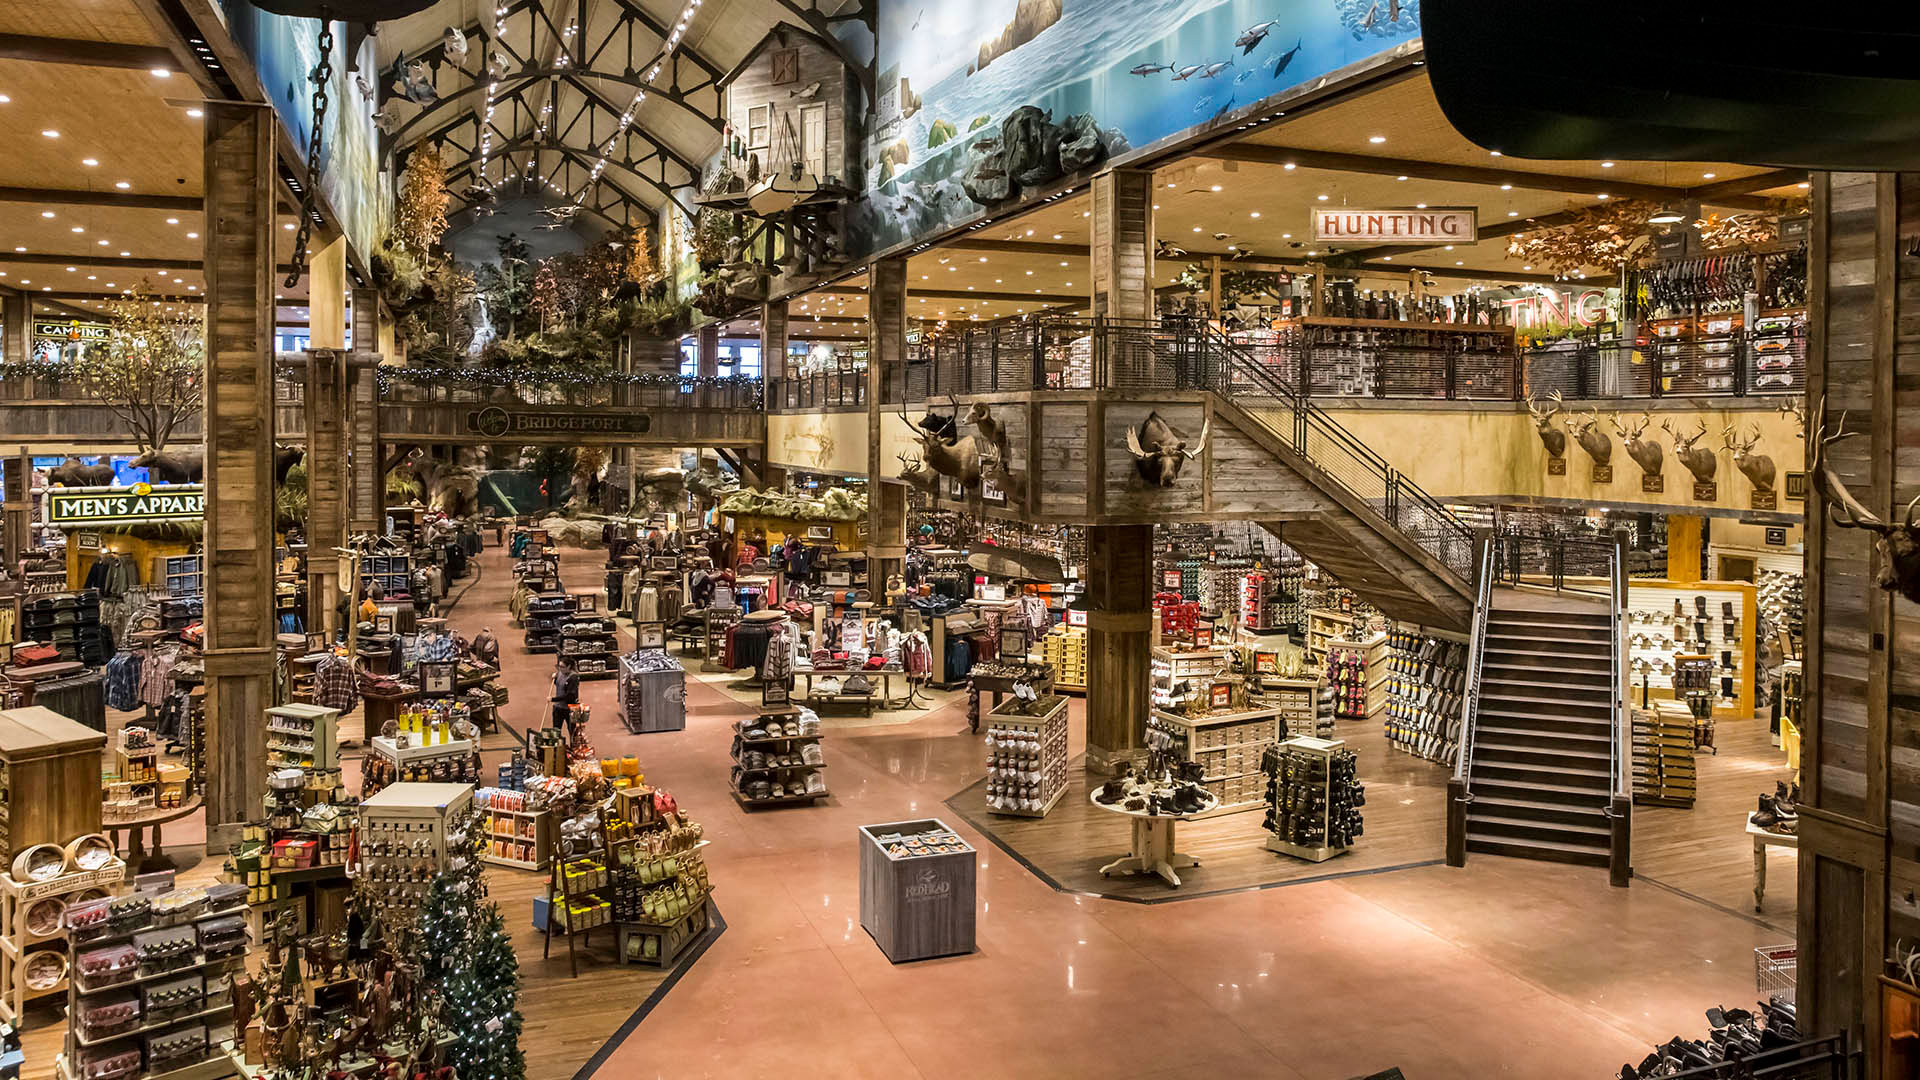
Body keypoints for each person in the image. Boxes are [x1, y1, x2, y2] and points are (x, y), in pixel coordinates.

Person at [550, 656, 579, 731]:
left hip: (570, 709)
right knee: (556, 731)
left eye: (562, 667)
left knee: (573, 732)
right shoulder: (560, 673)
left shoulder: (573, 678)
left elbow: (569, 696)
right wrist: (555, 678)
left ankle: (573, 743)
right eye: (559, 666)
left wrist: (553, 699)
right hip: (558, 708)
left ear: (569, 666)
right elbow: (559, 685)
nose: (560, 669)